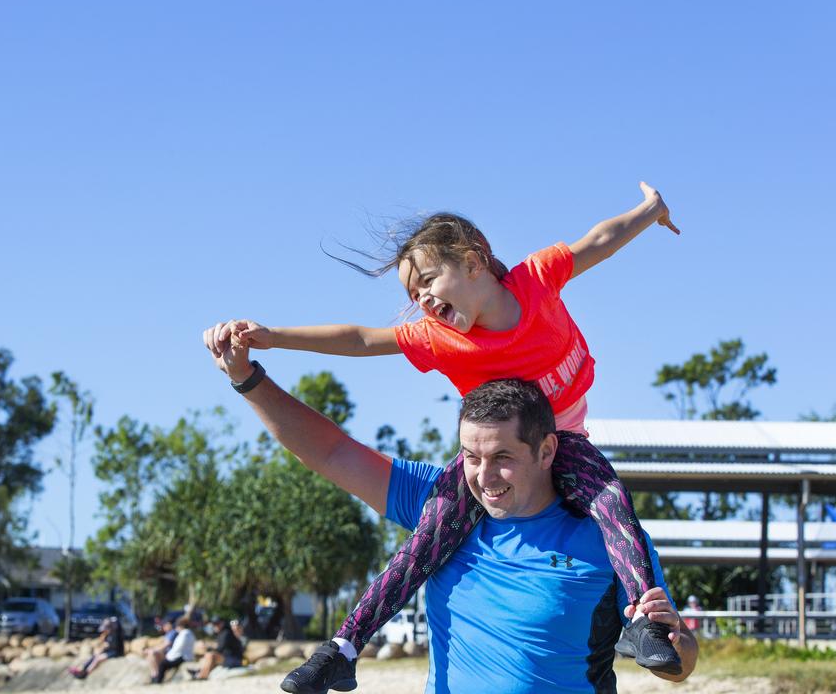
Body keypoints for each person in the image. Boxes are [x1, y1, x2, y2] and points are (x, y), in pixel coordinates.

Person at [203, 182, 683, 691]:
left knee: (612, 501)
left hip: (569, 441)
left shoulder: (537, 279)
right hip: (524, 449)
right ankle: (342, 649)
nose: (423, 299)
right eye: (413, 294)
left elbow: (600, 239)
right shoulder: (441, 339)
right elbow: (361, 339)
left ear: (475, 262)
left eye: (428, 280)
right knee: (426, 539)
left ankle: (644, 621)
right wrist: (274, 340)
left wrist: (649, 210)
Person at [203, 337, 698, 692]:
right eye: (471, 456)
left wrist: (676, 641)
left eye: (503, 457)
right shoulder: (440, 504)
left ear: (547, 451)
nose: (484, 476)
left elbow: (679, 667)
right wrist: (248, 380)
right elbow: (332, 452)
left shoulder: (609, 539)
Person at [148, 615, 196, 684]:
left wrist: (168, 656)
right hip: (185, 656)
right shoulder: (190, 633)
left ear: (180, 626)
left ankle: (158, 680)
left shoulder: (184, 634)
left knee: (163, 664)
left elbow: (178, 648)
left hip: (182, 657)